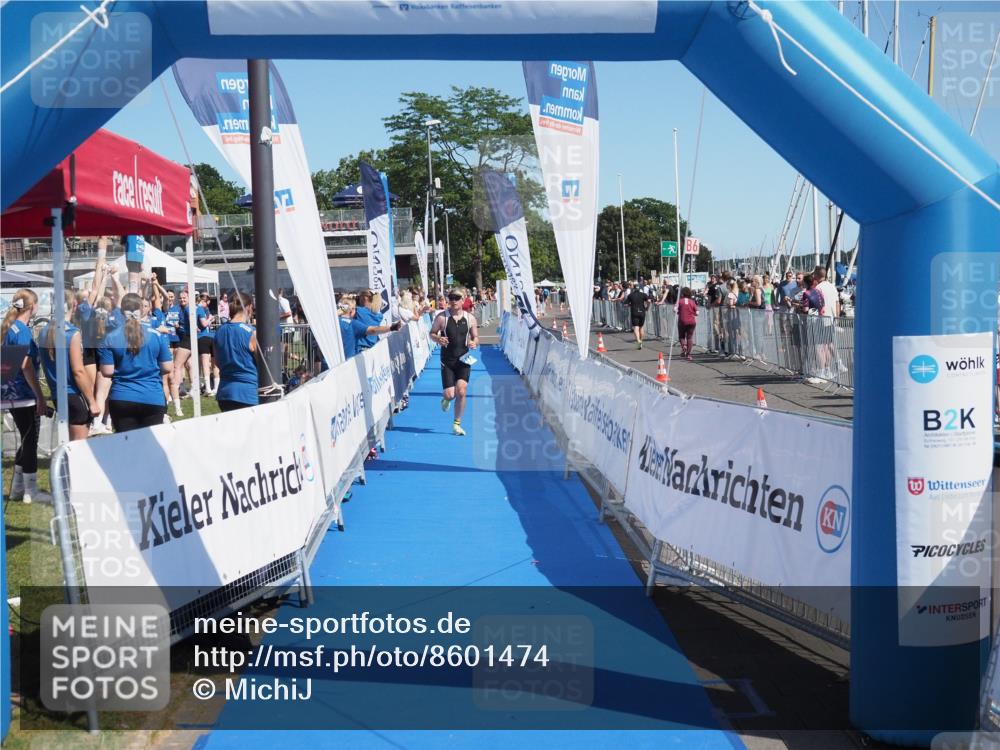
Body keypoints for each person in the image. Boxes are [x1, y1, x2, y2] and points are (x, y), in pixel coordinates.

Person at [98, 293, 172, 432]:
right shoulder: (157, 335)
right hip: (152, 396)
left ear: (121, 311)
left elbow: (107, 371)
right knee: (149, 443)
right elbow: (167, 367)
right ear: (142, 309)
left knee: (126, 443)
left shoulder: (110, 337)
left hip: (122, 396)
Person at [2, 289, 50, 502]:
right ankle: (31, 490)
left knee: (26, 438)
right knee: (30, 440)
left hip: (13, 392)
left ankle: (18, 488)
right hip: (24, 394)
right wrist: (40, 396)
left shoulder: (11, 327)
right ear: (33, 306)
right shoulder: (21, 331)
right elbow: (26, 366)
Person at [40, 291, 99, 441]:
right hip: (73, 394)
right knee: (79, 447)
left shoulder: (43, 332)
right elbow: (78, 371)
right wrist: (92, 401)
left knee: (68, 444)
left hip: (57, 394)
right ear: (74, 305)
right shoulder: (72, 333)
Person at [430, 289, 479, 436]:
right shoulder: (442, 317)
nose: (454, 301)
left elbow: (475, 337)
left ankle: (456, 424)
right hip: (448, 361)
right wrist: (438, 339)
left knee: (462, 391)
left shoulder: (470, 318)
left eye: (457, 298)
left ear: (463, 300)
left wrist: (474, 342)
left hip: (464, 360)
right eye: (451, 298)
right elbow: (432, 333)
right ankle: (446, 399)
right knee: (450, 394)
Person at [213, 292, 259, 412]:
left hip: (225, 393)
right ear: (248, 307)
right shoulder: (251, 333)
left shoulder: (219, 331)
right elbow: (263, 364)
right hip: (248, 393)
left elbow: (217, 362)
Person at [196, 293, 218, 396]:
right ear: (203, 301)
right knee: (209, 363)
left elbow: (205, 324)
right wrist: (210, 319)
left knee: (211, 363)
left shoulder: (203, 310)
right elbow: (204, 324)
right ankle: (210, 388)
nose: (208, 304)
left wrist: (209, 319)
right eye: (207, 302)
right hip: (204, 337)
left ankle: (211, 388)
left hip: (208, 337)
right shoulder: (200, 309)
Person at [622, 281, 649, 349]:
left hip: (634, 312)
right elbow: (649, 301)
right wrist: (647, 307)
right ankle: (641, 341)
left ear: (633, 288)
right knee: (641, 327)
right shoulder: (643, 294)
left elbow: (625, 304)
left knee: (636, 327)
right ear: (639, 288)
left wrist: (630, 304)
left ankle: (638, 341)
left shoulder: (630, 295)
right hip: (642, 311)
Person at [675, 287, 699, 361]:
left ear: (682, 294)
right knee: (689, 337)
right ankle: (688, 354)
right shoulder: (692, 301)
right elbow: (697, 313)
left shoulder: (680, 301)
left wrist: (679, 312)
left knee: (681, 336)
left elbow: (674, 309)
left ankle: (684, 346)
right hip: (691, 321)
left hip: (682, 321)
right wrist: (693, 313)